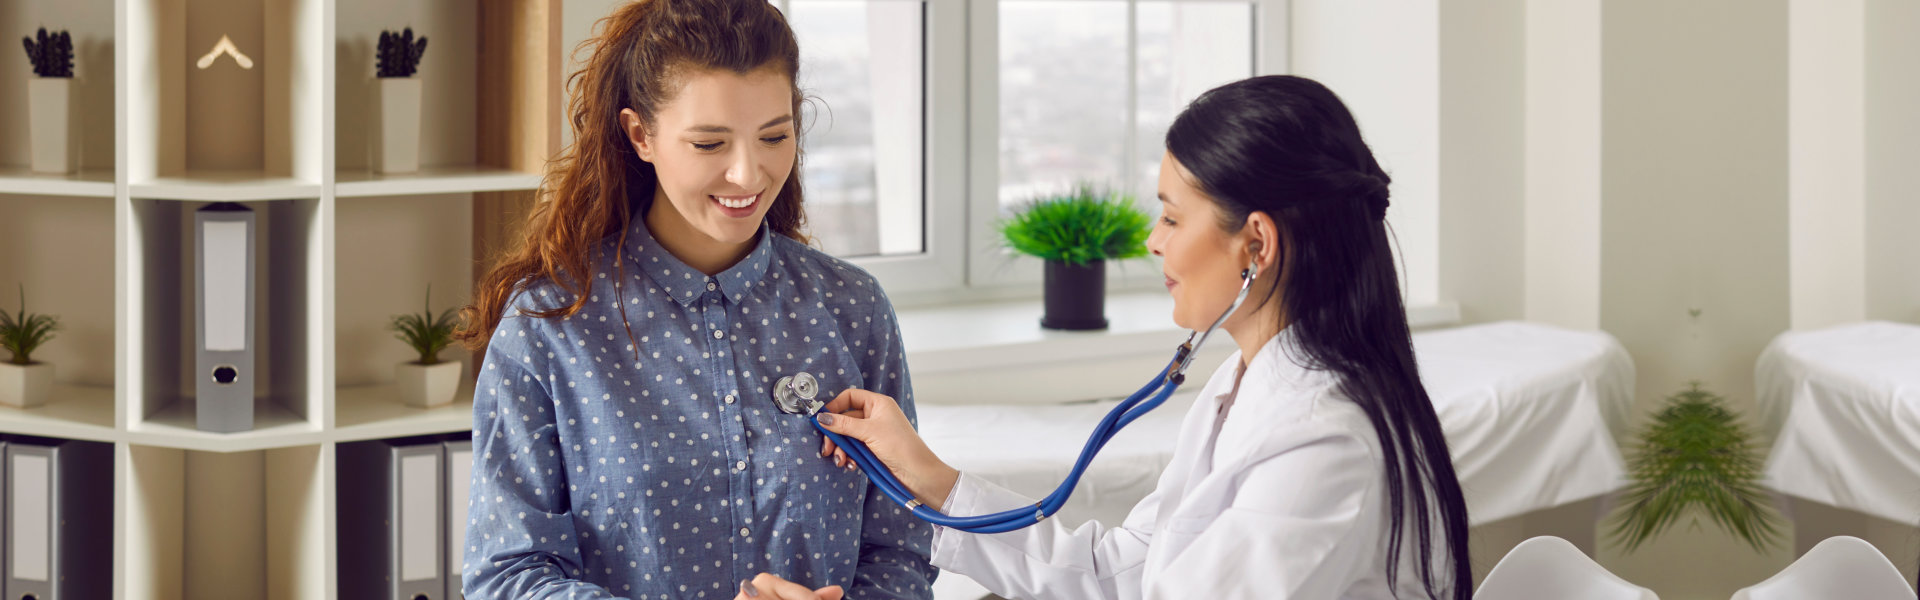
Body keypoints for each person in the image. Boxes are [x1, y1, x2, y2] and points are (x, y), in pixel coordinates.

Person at [748, 75, 1474, 599]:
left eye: (1172, 217)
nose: (1154, 243)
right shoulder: (1246, 383)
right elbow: (1128, 570)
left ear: (1256, 243)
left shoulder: (1327, 439)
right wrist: (928, 474)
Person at [454, 0, 935, 597]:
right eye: (710, 144)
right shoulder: (549, 326)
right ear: (641, 135)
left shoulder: (853, 308)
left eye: (774, 136)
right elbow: (508, 575)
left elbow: (903, 549)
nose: (748, 174)